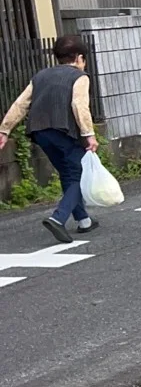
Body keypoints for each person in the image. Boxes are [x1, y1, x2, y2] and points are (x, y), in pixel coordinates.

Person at [0, 35, 100, 243]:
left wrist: (5, 130)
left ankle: (83, 220)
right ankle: (58, 218)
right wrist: (89, 134)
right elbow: (79, 106)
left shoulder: (41, 76)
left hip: (40, 132)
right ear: (79, 58)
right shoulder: (79, 77)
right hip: (64, 131)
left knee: (68, 174)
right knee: (79, 175)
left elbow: (21, 104)